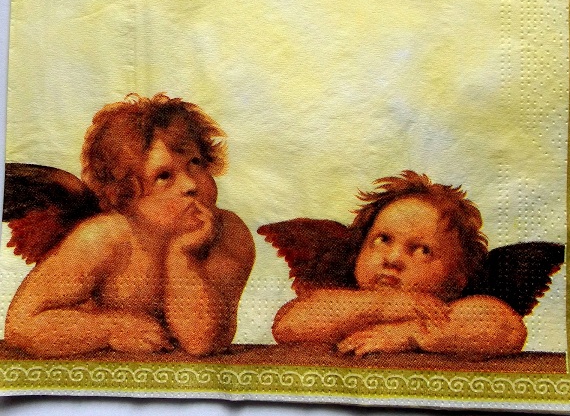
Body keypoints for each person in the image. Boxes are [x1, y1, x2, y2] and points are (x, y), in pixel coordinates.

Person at [5, 93, 255, 357]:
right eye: (164, 176)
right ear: (126, 194)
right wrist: (110, 328)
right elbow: (21, 324)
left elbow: (202, 342)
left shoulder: (228, 233)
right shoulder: (103, 238)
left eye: (195, 163)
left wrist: (182, 255)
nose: (191, 184)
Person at [271, 172, 526, 357]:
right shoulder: (340, 302)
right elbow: (288, 325)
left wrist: (409, 335)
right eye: (382, 239)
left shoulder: (444, 312)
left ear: (457, 277)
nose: (393, 259)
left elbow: (508, 328)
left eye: (422, 250)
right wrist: (385, 305)